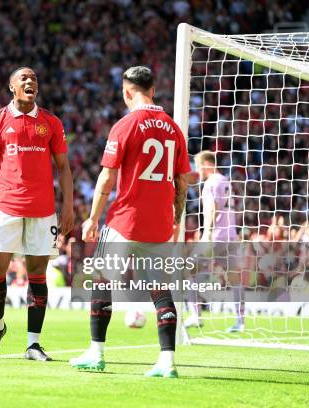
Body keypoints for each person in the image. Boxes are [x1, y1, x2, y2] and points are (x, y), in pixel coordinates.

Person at [69, 66, 190, 377]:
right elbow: (182, 180)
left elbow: (107, 177)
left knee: (101, 280)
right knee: (160, 289)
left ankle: (96, 352)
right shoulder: (174, 129)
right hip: (160, 222)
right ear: (153, 89)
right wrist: (176, 216)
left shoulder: (125, 125)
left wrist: (93, 218)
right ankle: (167, 362)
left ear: (126, 92)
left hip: (126, 220)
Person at [0, 66, 74, 360]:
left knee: (37, 274)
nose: (30, 81)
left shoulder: (51, 123)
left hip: (43, 211)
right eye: (24, 78)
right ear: (12, 87)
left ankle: (33, 344)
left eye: (34, 78)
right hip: (6, 208)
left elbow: (64, 167)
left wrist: (68, 205)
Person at [185, 151, 243, 332]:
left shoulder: (210, 183)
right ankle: (240, 321)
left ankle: (195, 315)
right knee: (234, 278)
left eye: (198, 165)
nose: (197, 170)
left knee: (188, 271)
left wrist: (207, 232)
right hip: (230, 236)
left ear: (208, 164)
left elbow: (212, 207)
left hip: (215, 236)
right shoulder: (226, 181)